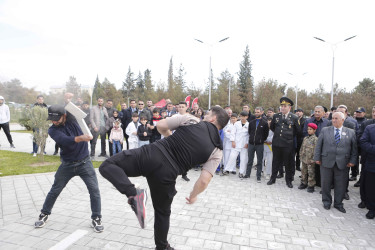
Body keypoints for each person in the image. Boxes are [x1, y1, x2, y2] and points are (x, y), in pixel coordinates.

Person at [99, 106, 229, 250]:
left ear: (213, 118)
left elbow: (160, 125)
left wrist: (170, 137)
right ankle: (162, 247)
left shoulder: (192, 120)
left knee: (107, 166)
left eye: (208, 114)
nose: (205, 115)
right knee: (162, 212)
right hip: (167, 174)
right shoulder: (217, 150)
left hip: (151, 155)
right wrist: (193, 195)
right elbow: (204, 180)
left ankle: (133, 193)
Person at [34, 94, 103, 233]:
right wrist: (81, 138)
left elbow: (74, 109)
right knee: (55, 190)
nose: (53, 122)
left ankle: (96, 218)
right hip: (67, 164)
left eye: (56, 119)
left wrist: (67, 100)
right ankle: (44, 214)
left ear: (64, 115)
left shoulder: (72, 119)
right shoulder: (53, 130)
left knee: (94, 191)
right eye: (51, 119)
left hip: (85, 162)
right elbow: (65, 141)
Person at [314, 112, 357, 213]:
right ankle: (326, 201)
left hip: (343, 163)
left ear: (342, 120)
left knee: (340, 185)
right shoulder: (325, 130)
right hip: (326, 161)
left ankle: (338, 203)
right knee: (325, 183)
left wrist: (352, 161)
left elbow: (354, 149)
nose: (333, 120)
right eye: (333, 118)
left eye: (336, 118)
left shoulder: (351, 132)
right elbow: (319, 145)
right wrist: (317, 157)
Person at [267, 97, 299, 188]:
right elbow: (273, 127)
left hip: (288, 144)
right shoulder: (276, 116)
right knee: (275, 162)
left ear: (289, 107)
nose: (283, 108)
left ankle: (288, 181)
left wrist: (288, 137)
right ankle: (272, 179)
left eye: (285, 106)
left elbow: (297, 131)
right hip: (277, 143)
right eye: (282, 106)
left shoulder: (294, 117)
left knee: (288, 163)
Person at [302, 105, 329, 187]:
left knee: (319, 165)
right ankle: (305, 182)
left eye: (319, 112)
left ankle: (318, 182)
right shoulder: (308, 121)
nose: (317, 113)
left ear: (323, 113)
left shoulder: (327, 122)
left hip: (322, 147)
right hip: (310, 147)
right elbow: (305, 132)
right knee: (308, 166)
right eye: (315, 111)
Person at [244, 107, 269, 182]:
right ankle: (247, 174)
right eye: (255, 112)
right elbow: (249, 132)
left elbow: (266, 134)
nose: (256, 113)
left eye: (258, 112)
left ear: (261, 112)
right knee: (250, 160)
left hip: (259, 145)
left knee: (259, 161)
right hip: (251, 144)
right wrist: (252, 139)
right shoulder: (251, 122)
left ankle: (258, 176)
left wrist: (261, 140)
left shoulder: (264, 123)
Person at [224, 111, 249, 178]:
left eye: (244, 117)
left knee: (243, 159)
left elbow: (249, 135)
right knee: (232, 157)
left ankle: (241, 172)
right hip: (236, 143)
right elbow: (233, 133)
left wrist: (247, 143)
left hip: (244, 144)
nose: (243, 118)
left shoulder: (248, 125)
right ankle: (227, 169)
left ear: (247, 117)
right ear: (239, 117)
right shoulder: (237, 124)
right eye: (241, 116)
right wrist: (232, 141)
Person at [359, 123, 375, 219]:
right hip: (372, 164)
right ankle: (371, 209)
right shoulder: (370, 128)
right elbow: (363, 142)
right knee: (371, 188)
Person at [298, 123, 318, 193]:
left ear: (314, 130)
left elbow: (316, 150)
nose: (309, 131)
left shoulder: (315, 139)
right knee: (303, 171)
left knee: (311, 172)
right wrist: (300, 155)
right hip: (304, 158)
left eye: (311, 129)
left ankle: (311, 185)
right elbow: (302, 147)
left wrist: (313, 159)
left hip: (310, 159)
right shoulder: (305, 138)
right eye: (308, 129)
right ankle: (303, 183)